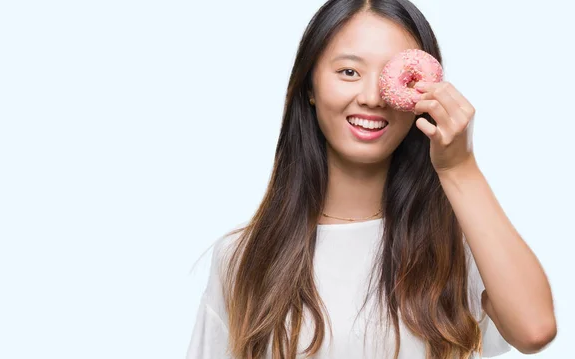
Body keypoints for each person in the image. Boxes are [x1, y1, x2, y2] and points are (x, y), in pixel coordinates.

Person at [186, 0, 557, 358]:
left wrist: (459, 166)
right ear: (310, 87)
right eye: (349, 71)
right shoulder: (244, 258)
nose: (372, 97)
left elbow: (534, 330)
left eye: (392, 78)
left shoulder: (459, 248)